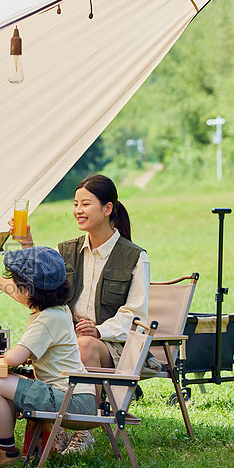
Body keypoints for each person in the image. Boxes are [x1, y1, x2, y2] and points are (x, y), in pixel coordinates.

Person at [10, 174, 154, 452]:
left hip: (115, 346)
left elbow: (136, 316)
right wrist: (26, 245)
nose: (77, 210)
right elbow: (40, 289)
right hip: (69, 341)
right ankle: (58, 425)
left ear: (108, 208)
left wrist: (99, 330)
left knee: (85, 344)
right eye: (75, 203)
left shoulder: (134, 256)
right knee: (54, 343)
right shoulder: (65, 251)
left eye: (85, 203)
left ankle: (82, 429)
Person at [0, 246, 98, 466]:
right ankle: (4, 447)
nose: (16, 292)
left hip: (73, 401)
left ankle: (6, 453)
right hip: (78, 395)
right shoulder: (58, 309)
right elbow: (17, 294)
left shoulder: (47, 320)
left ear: (28, 292)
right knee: (3, 384)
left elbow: (12, 360)